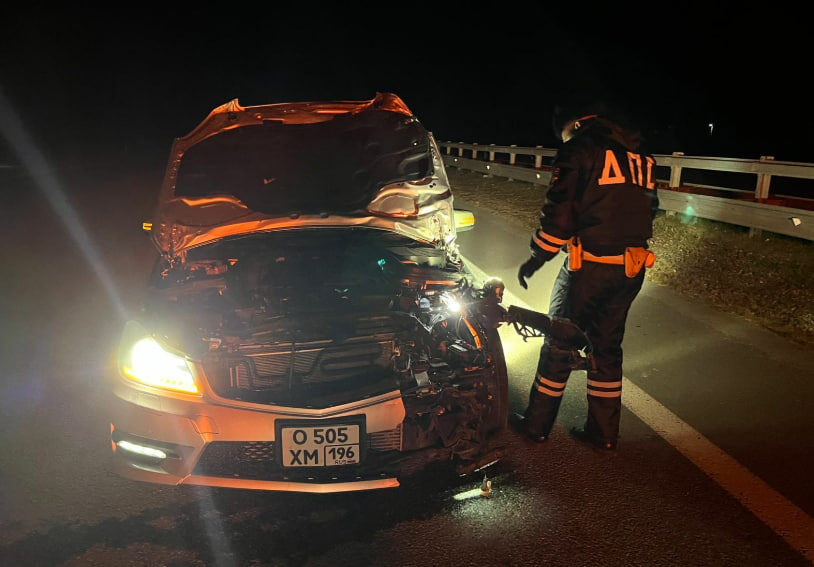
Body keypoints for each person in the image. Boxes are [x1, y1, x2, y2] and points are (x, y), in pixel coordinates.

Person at [511, 99, 659, 450]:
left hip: (587, 266)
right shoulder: (641, 157)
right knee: (607, 348)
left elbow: (559, 216)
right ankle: (603, 433)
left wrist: (537, 256)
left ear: (573, 125)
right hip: (631, 268)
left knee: (561, 342)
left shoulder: (579, 150)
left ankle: (536, 425)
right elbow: (651, 208)